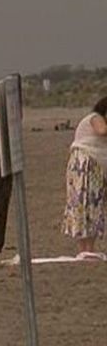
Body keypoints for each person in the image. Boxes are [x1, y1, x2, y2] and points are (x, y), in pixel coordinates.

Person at [62, 97, 107, 258]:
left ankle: (88, 249)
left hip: (93, 167)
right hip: (85, 165)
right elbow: (102, 131)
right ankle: (84, 249)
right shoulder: (95, 118)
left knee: (93, 205)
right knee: (82, 204)